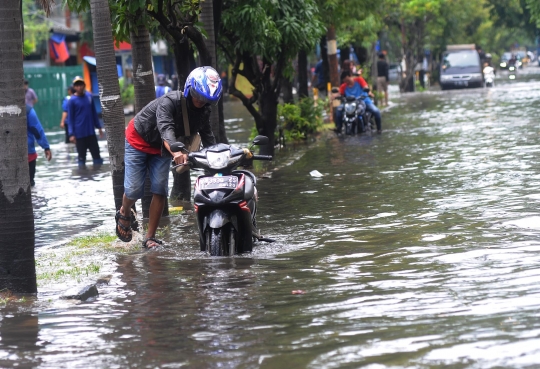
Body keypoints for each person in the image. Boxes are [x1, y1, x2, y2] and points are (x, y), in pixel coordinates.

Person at [115, 66, 222, 248]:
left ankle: (150, 237)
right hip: (138, 140)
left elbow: (208, 138)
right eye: (197, 95)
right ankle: (124, 212)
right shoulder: (170, 102)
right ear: (190, 89)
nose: (200, 101)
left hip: (162, 149)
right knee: (134, 190)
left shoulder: (204, 112)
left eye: (205, 99)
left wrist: (219, 161)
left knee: (160, 190)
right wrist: (177, 152)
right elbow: (166, 131)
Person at [67, 76, 104, 167]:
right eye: (77, 85)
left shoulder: (89, 97)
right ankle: (82, 176)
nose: (79, 87)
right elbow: (70, 118)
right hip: (79, 135)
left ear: (84, 85)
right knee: (81, 158)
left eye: (81, 85)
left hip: (91, 133)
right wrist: (71, 134)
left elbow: (94, 113)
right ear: (74, 87)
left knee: (97, 157)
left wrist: (99, 127)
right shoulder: (72, 100)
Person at [26, 104, 52, 187]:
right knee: (30, 185)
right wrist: (46, 147)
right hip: (28, 154)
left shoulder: (28, 110)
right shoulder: (27, 110)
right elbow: (37, 130)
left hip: (27, 154)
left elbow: (36, 130)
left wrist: (46, 147)